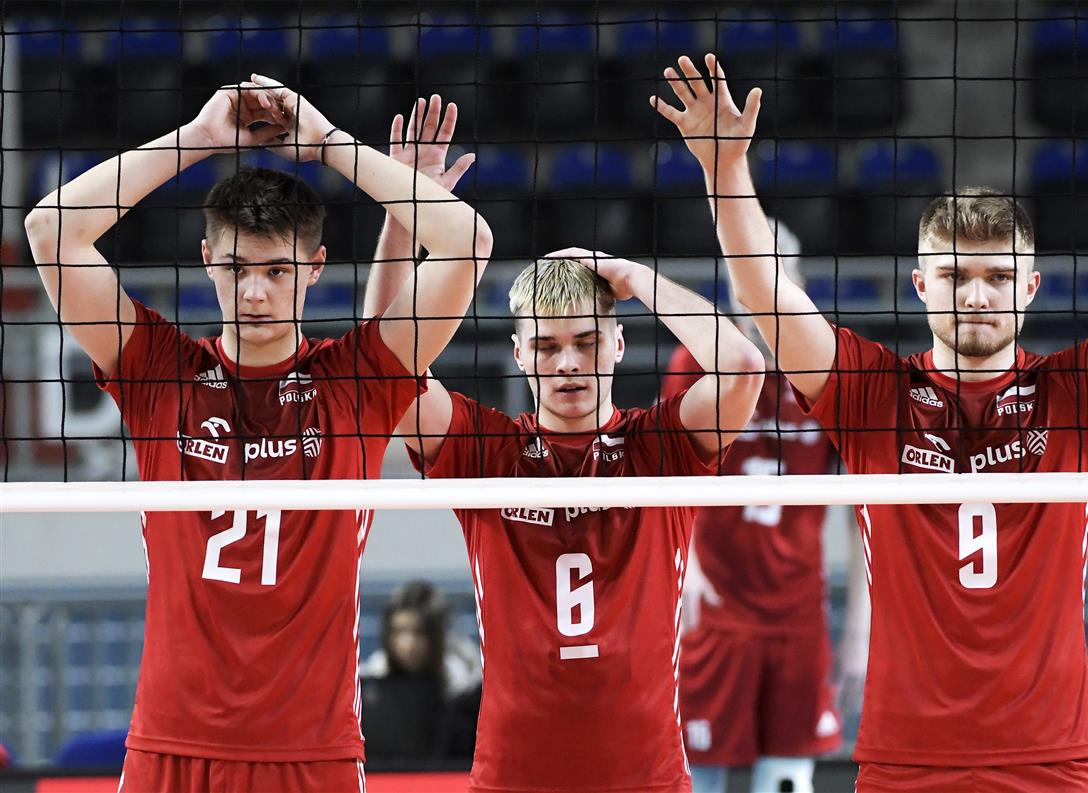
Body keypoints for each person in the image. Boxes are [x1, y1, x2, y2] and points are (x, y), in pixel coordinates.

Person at [655, 53, 1088, 791]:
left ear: (1030, 288)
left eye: (998, 277)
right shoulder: (870, 394)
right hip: (906, 762)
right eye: (956, 276)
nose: (977, 296)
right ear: (921, 285)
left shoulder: (1078, 392)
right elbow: (764, 295)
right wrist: (725, 171)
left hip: (1049, 760)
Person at [24, 76, 492, 792]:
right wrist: (197, 139)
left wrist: (330, 143)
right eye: (237, 268)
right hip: (172, 746)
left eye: (277, 270)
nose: (254, 292)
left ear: (314, 268)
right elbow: (48, 231)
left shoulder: (357, 382)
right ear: (207, 261)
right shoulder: (159, 372)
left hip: (312, 752)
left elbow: (469, 243)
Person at [365, 176, 765, 789]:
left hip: (645, 776)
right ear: (519, 354)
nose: (569, 363)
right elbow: (381, 365)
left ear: (618, 343)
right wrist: (403, 212)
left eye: (586, 341)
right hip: (515, 775)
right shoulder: (486, 451)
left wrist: (631, 276)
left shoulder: (658, 447)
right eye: (547, 346)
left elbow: (742, 367)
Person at [660, 218, 863, 793]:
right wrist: (686, 572)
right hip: (715, 607)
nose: (756, 287)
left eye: (770, 273)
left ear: (796, 282)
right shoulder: (694, 363)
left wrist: (860, 627)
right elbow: (665, 476)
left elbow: (862, 508)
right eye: (743, 273)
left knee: (787, 777)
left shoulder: (827, 368)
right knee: (699, 772)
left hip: (798, 610)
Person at [360, 580, 483, 764]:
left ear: (436, 634)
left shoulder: (465, 680)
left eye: (419, 632)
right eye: (399, 631)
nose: (408, 644)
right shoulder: (372, 681)